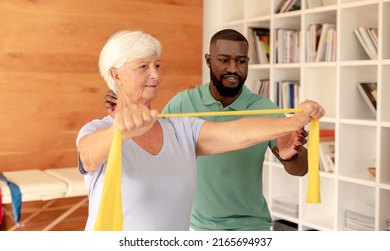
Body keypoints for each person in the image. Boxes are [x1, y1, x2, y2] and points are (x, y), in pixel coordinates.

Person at [82, 29, 324, 231]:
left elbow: (237, 132)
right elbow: (89, 155)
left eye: (157, 65)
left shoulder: (182, 128)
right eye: (143, 67)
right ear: (116, 75)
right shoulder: (99, 129)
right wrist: (120, 130)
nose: (155, 74)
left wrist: (294, 122)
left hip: (247, 226)